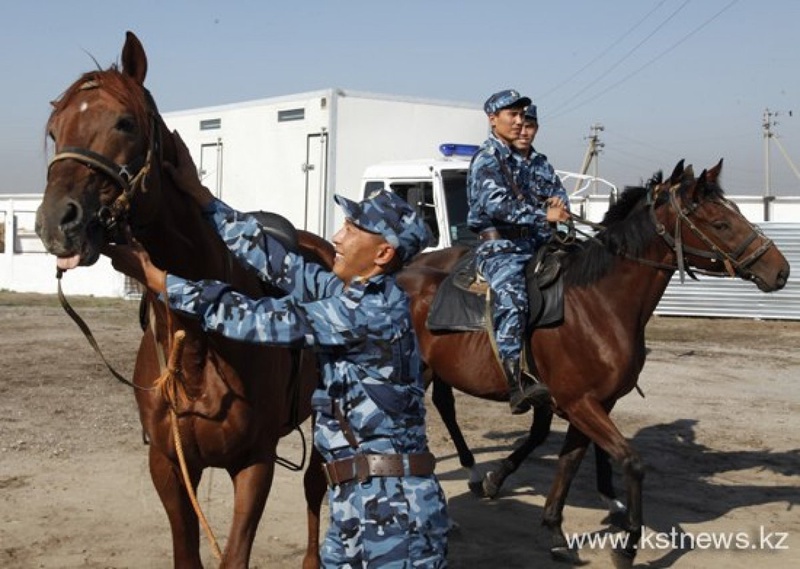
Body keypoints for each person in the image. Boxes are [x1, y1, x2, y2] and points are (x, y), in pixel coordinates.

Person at [102, 133, 449, 568]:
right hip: (357, 502)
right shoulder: (352, 293)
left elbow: (255, 318)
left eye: (352, 229)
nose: (337, 237)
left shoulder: (369, 315)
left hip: (394, 510)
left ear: (382, 253)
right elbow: (279, 263)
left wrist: (163, 284)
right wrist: (204, 199)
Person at [467, 90, 570, 414]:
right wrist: (543, 214)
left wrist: (558, 204)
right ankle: (516, 382)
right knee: (513, 298)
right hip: (501, 247)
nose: (519, 122)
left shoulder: (530, 161)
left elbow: (555, 192)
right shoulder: (488, 158)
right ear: (492, 119)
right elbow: (496, 205)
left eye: (522, 116)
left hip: (536, 242)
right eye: (511, 115)